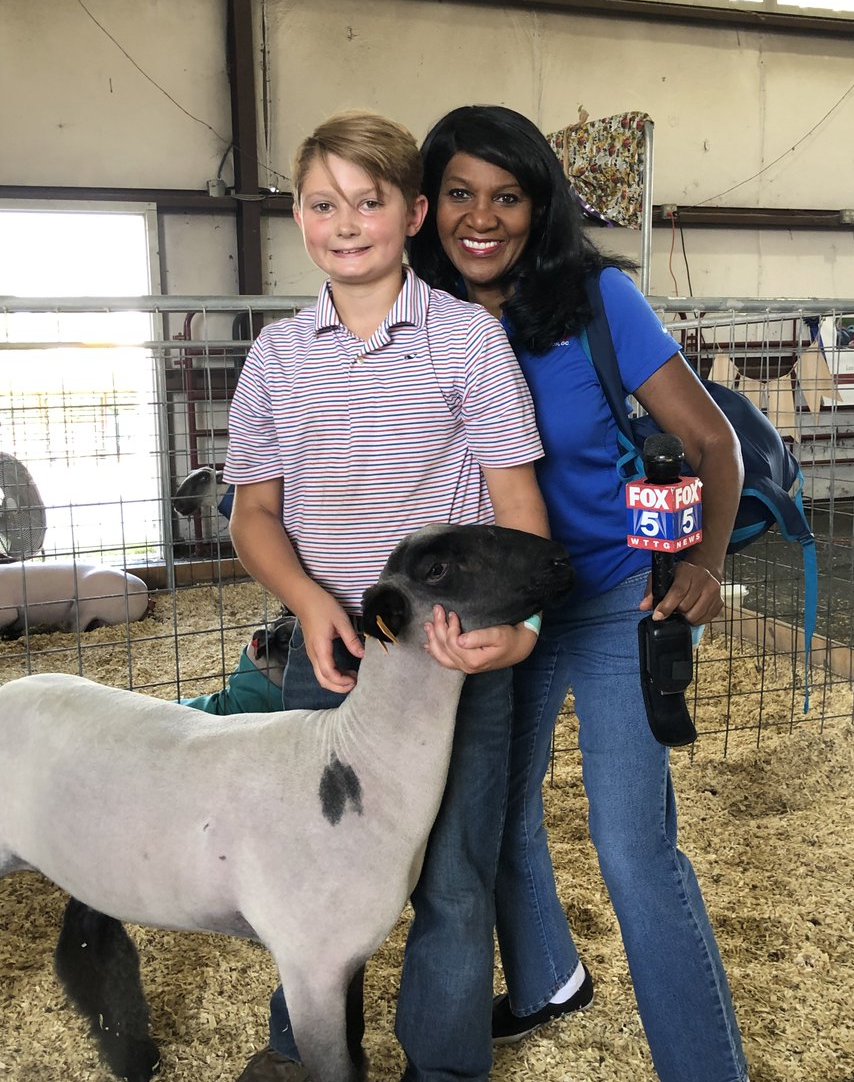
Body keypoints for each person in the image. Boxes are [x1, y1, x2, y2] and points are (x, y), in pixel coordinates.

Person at [408, 104, 750, 1082]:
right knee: (493, 822)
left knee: (634, 852)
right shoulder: (415, 312)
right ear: (429, 206)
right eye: (463, 194)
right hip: (495, 606)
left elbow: (711, 440)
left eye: (507, 195)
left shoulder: (597, 301)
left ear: (539, 204)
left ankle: (704, 1070)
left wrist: (705, 563)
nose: (484, 217)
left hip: (604, 598)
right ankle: (551, 977)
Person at [222, 110, 549, 1082]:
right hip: (330, 654)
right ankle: (302, 1053)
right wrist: (311, 603)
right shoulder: (277, 357)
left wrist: (519, 626)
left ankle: (444, 1070)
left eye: (369, 201)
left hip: (449, 658)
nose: (347, 221)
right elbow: (253, 516)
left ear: (411, 213)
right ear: (298, 214)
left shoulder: (467, 342)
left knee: (454, 878)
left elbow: (518, 505)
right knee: (313, 873)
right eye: (324, 203)